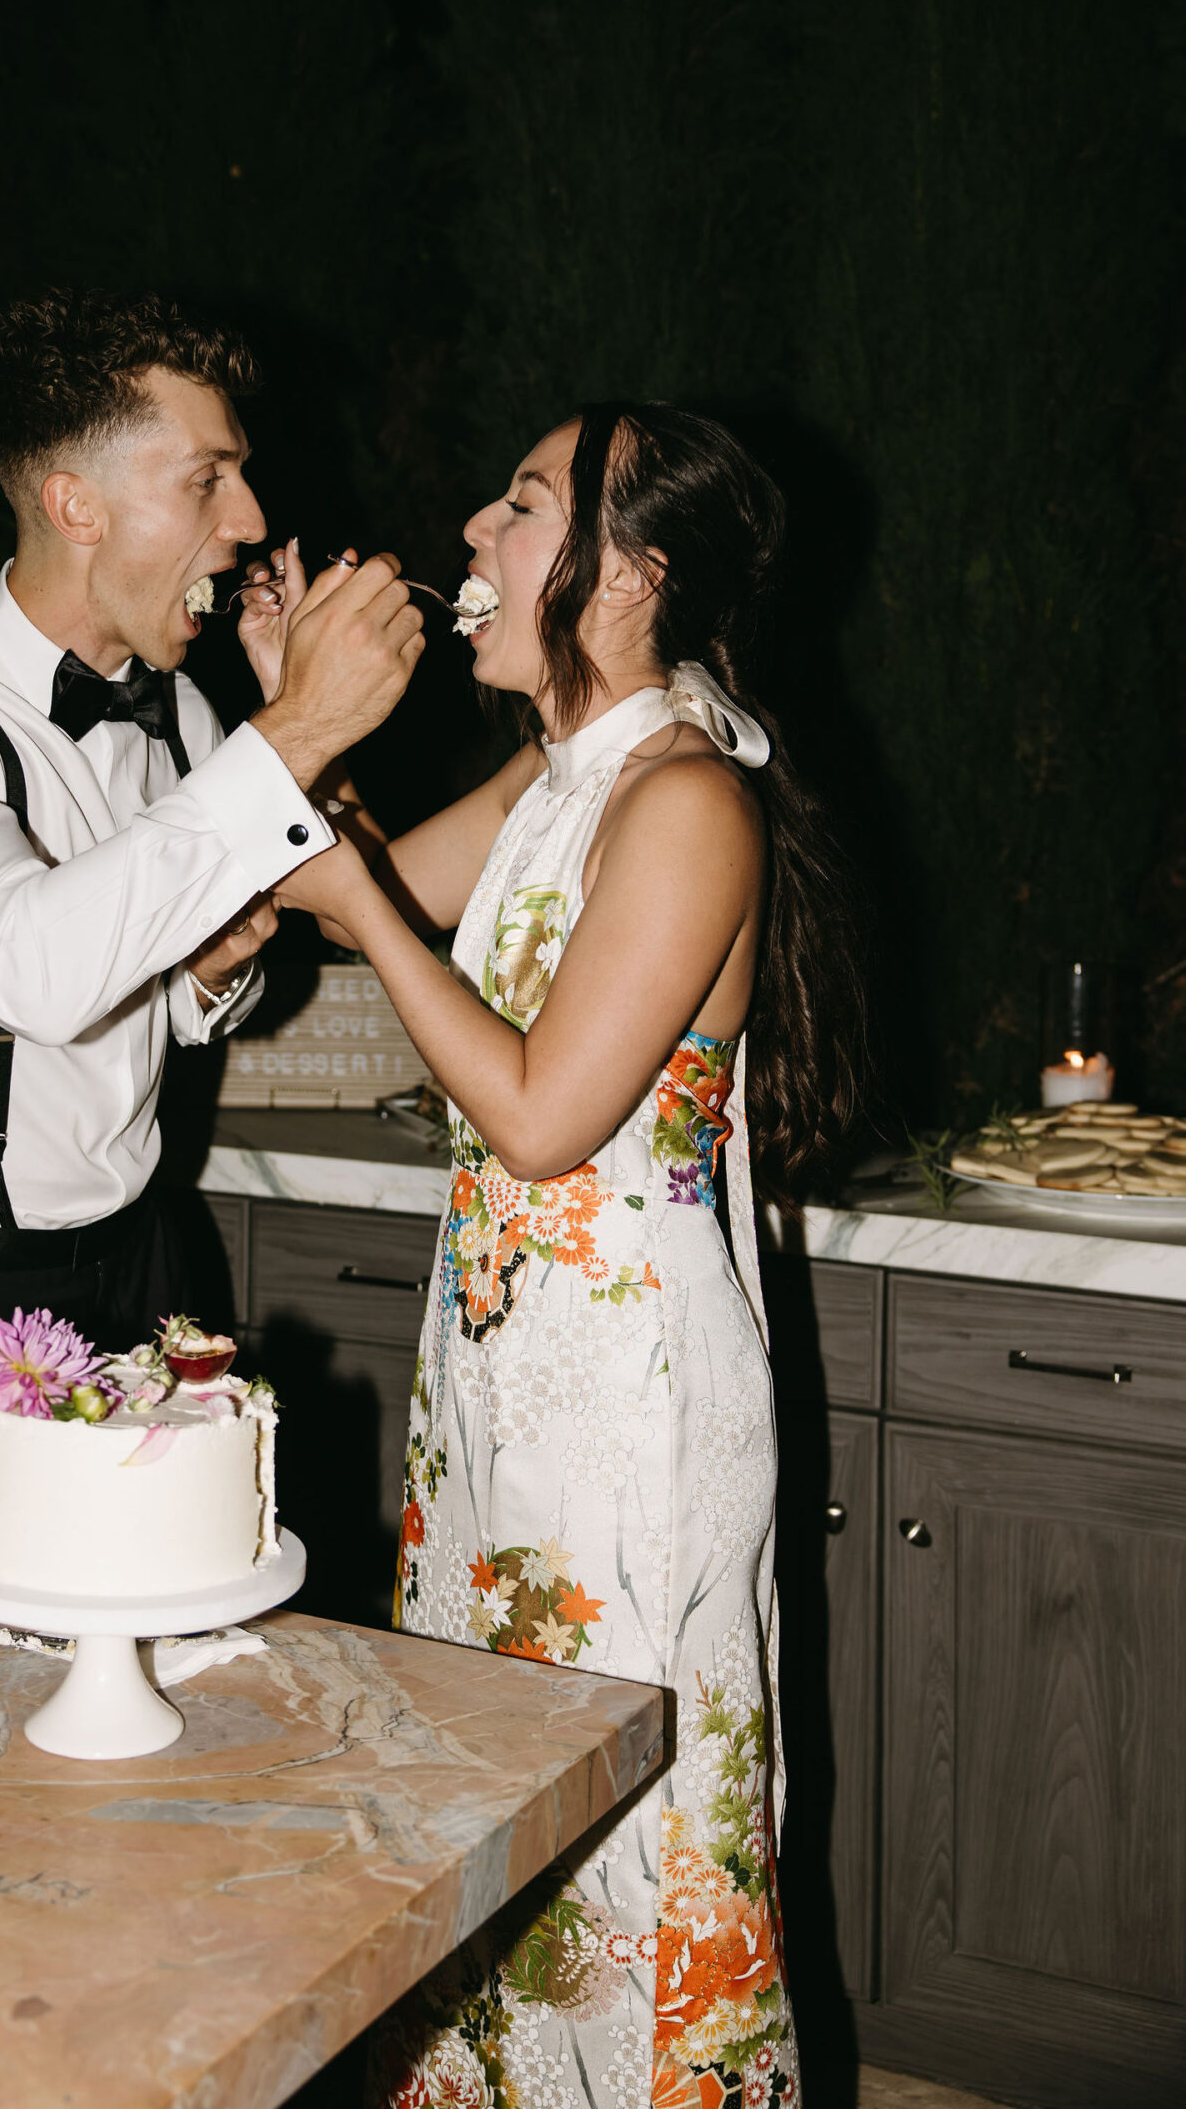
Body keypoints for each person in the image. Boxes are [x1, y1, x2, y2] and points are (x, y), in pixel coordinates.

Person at [265, 403, 862, 2109]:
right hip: (508, 1398)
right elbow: (355, 884)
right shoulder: (562, 773)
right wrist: (289, 727)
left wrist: (354, 892)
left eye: (521, 505)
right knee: (494, 1831)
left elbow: (537, 1113)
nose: (473, 527)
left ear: (629, 574)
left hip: (636, 1427)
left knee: (632, 1851)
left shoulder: (685, 802)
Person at [0, 290, 424, 1534]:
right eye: (207, 481)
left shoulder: (179, 710)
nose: (248, 524)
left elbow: (166, 1008)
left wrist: (204, 978)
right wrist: (294, 732)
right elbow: (32, 971)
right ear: (76, 505)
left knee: (161, 1633)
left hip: (144, 1255)